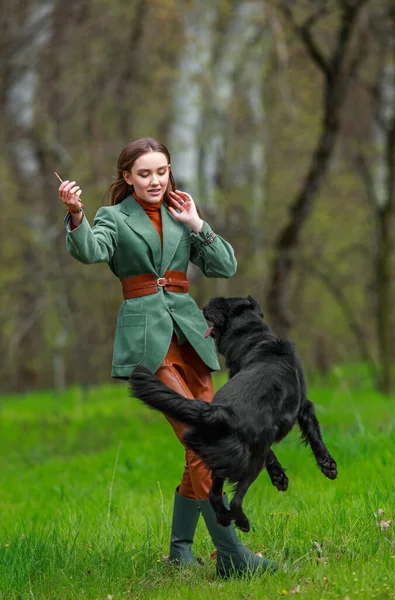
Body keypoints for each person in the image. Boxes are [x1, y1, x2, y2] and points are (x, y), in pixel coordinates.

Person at [58, 137, 277, 576]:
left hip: (191, 339)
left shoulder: (180, 211)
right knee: (202, 438)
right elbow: (90, 250)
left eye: (161, 171)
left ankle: (180, 550)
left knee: (198, 442)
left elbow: (225, 266)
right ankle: (233, 555)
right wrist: (76, 214)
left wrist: (198, 224)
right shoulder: (114, 218)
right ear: (127, 177)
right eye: (144, 174)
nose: (155, 180)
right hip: (148, 343)